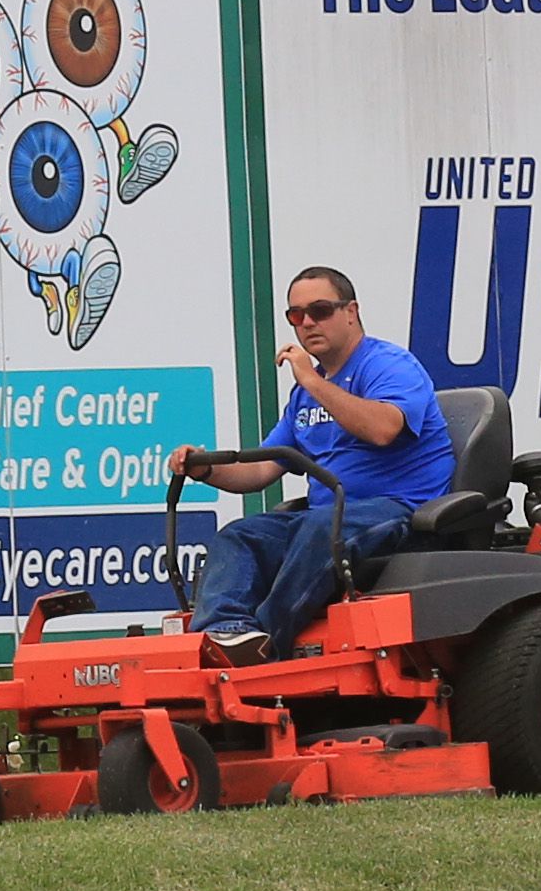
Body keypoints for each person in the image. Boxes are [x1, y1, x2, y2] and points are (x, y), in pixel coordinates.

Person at [188, 267, 457, 653]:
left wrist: (313, 382)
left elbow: (384, 428)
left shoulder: (389, 365)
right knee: (240, 535)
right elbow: (263, 468)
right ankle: (224, 636)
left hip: (400, 512)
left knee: (320, 527)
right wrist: (206, 468)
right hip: (329, 518)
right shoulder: (303, 398)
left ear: (351, 311)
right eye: (296, 315)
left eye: (320, 310)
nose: (307, 322)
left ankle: (266, 647)